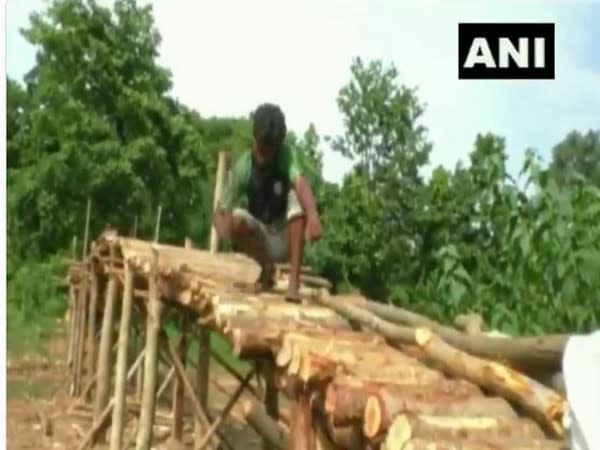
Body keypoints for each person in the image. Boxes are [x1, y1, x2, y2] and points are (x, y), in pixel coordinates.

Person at [213, 103, 322, 302]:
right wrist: (224, 229)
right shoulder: (244, 166)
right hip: (261, 238)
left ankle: (293, 286)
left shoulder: (286, 157)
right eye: (262, 149)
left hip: (285, 236)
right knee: (236, 221)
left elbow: (300, 182)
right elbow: (221, 210)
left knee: (295, 197)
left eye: (271, 151)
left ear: (279, 146)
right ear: (255, 139)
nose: (266, 155)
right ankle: (266, 268)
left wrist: (313, 214)